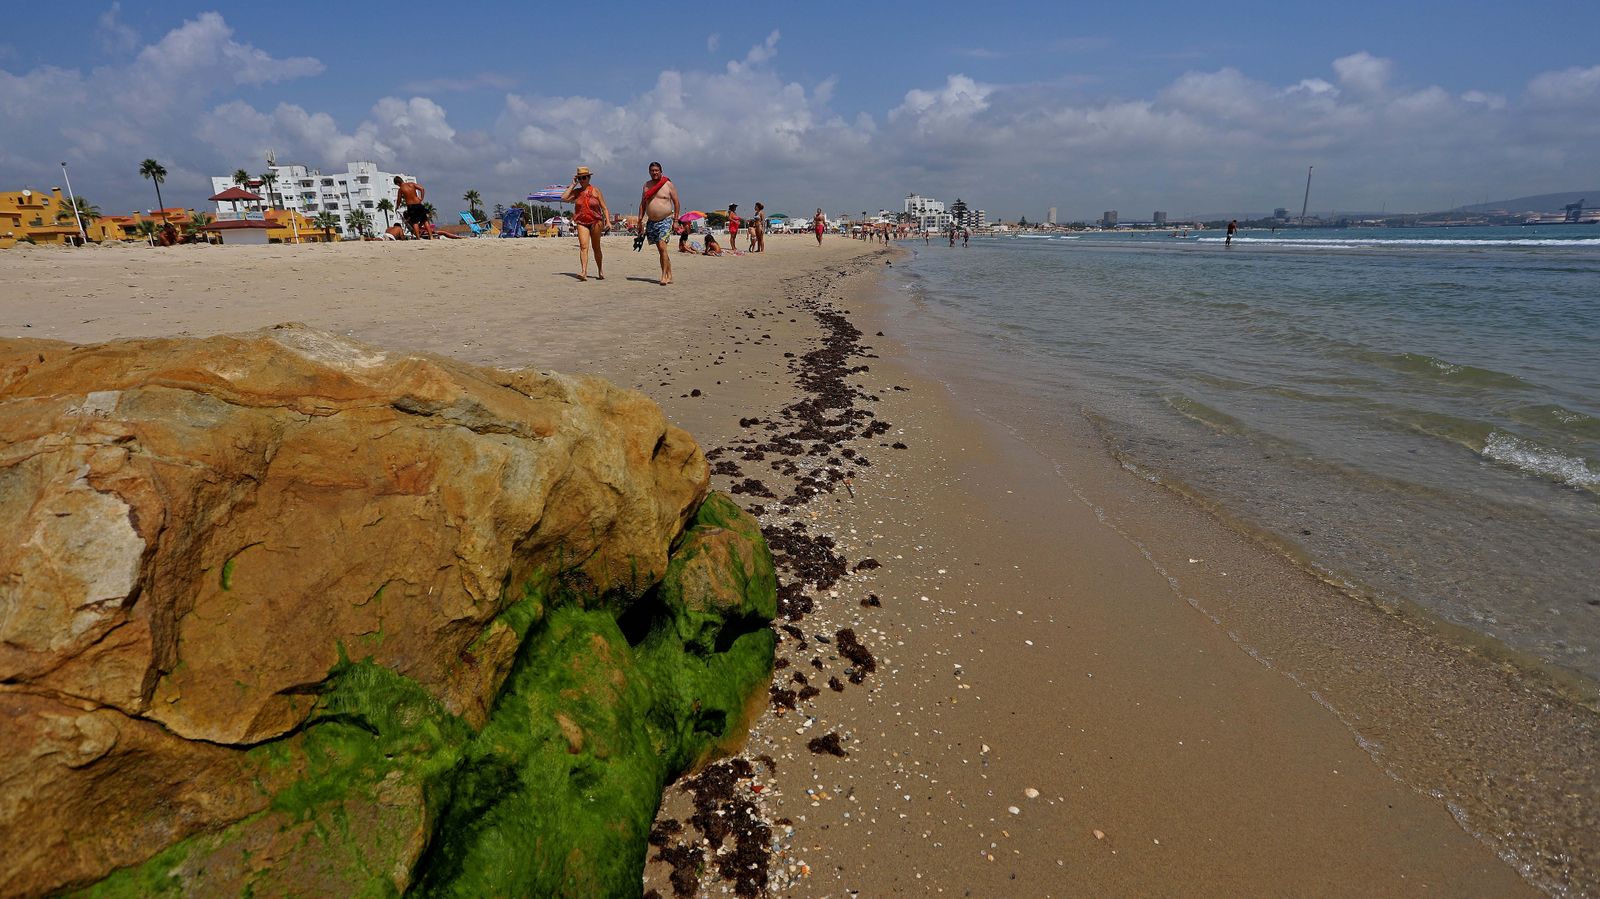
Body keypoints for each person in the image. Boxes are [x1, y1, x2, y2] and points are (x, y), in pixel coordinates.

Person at [561, 166, 610, 280]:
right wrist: (573, 184)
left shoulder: (595, 190)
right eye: (580, 178)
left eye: (584, 178)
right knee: (583, 247)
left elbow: (604, 208)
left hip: (596, 221)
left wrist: (608, 221)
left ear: (589, 178)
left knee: (596, 247)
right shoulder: (577, 192)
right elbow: (564, 198)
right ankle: (584, 272)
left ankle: (600, 270)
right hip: (582, 222)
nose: (582, 180)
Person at [636, 161, 680, 285]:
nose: (654, 172)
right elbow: (643, 204)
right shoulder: (646, 186)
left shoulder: (668, 185)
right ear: (649, 172)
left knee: (662, 246)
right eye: (652, 170)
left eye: (657, 170)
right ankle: (669, 274)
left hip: (666, 220)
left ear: (661, 171)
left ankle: (664, 276)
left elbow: (676, 202)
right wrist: (640, 220)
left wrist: (676, 220)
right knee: (662, 250)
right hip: (652, 222)